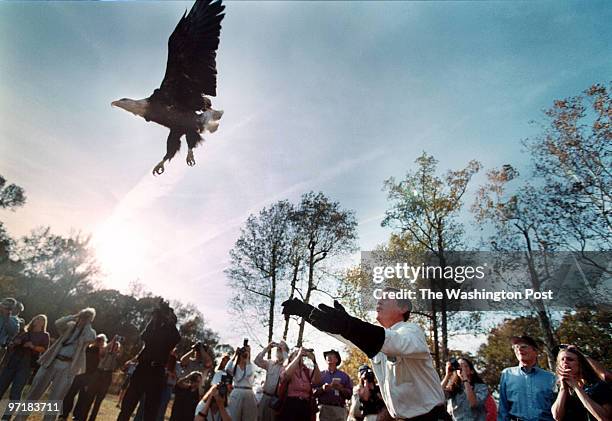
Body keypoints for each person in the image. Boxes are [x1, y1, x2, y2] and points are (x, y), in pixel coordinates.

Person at [282, 288, 446, 421]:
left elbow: (393, 342)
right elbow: (344, 333)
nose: (379, 301)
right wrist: (306, 312)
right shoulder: (379, 341)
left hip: (431, 417)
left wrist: (349, 325)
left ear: (404, 308)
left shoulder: (411, 331)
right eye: (379, 298)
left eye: (386, 298)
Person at [17, 308, 97, 421]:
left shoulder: (89, 332)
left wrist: (87, 323)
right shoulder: (70, 326)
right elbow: (58, 323)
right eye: (83, 316)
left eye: (86, 318)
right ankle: (20, 418)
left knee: (56, 398)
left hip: (68, 367)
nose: (83, 319)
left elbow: (91, 338)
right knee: (35, 391)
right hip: (52, 361)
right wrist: (75, 316)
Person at [117, 299, 181, 421]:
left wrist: (170, 320)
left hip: (157, 372)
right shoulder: (154, 328)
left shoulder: (171, 335)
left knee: (151, 411)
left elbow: (176, 338)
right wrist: (155, 317)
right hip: (142, 368)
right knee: (127, 405)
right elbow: (144, 336)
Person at [0, 314, 50, 418]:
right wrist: (14, 342)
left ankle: (6, 417)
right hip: (13, 360)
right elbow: (12, 343)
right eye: (37, 319)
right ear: (33, 320)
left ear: (44, 323)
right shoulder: (24, 332)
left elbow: (44, 349)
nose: (39, 321)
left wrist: (33, 346)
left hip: (26, 364)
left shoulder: (45, 335)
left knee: (15, 392)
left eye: (42, 320)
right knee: (1, 387)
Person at [497, 335, 556, 421]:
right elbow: (503, 409)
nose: (519, 349)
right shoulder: (507, 374)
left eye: (524, 346)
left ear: (535, 351)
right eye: (516, 347)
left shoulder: (551, 377)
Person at [551, 346, 612, 421]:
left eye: (570, 359)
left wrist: (576, 387)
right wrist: (563, 388)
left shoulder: (598, 386)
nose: (565, 362)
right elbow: (557, 416)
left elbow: (605, 418)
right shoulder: (558, 388)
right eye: (562, 359)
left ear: (580, 364)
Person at [60, 334, 107, 420]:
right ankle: (63, 414)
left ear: (104, 342)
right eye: (97, 339)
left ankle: (77, 417)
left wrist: (101, 348)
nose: (98, 341)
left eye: (101, 340)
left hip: (90, 377)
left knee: (83, 398)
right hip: (79, 374)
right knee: (70, 394)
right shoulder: (88, 348)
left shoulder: (102, 352)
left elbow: (102, 359)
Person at [77, 335, 123, 421]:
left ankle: (92, 419)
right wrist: (111, 343)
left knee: (98, 401)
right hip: (98, 373)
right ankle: (82, 418)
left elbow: (120, 358)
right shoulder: (104, 350)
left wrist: (117, 350)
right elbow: (101, 353)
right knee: (89, 398)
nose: (114, 346)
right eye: (114, 344)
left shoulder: (116, 355)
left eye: (116, 346)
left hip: (107, 375)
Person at [277, 347, 321, 421]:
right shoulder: (286, 367)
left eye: (300, 356)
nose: (300, 356)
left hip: (305, 405)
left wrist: (314, 362)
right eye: (296, 354)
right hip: (290, 404)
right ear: (291, 358)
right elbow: (286, 375)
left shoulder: (307, 371)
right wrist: (298, 356)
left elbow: (317, 381)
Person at [254, 340, 289, 421]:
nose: (278, 350)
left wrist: (284, 350)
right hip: (265, 397)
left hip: (277, 400)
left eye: (280, 349)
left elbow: (287, 364)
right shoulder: (270, 363)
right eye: (277, 349)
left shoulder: (287, 366)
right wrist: (267, 348)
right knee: (260, 418)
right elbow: (257, 361)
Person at [314, 349, 352, 421]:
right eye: (327, 356)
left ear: (337, 360)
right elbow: (312, 392)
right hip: (323, 410)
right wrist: (322, 389)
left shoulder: (344, 376)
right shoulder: (320, 375)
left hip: (339, 410)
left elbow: (349, 395)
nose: (329, 357)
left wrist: (341, 389)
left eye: (331, 355)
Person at [225, 342, 257, 421]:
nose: (244, 356)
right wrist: (235, 355)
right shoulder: (235, 367)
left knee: (249, 418)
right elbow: (227, 368)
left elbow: (249, 373)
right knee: (233, 417)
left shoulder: (250, 365)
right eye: (243, 355)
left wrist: (249, 355)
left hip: (248, 392)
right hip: (237, 392)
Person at [0, 298, 19, 363]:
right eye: (4, 306)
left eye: (9, 308)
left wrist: (7, 317)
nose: (6, 309)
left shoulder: (14, 320)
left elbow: (13, 332)